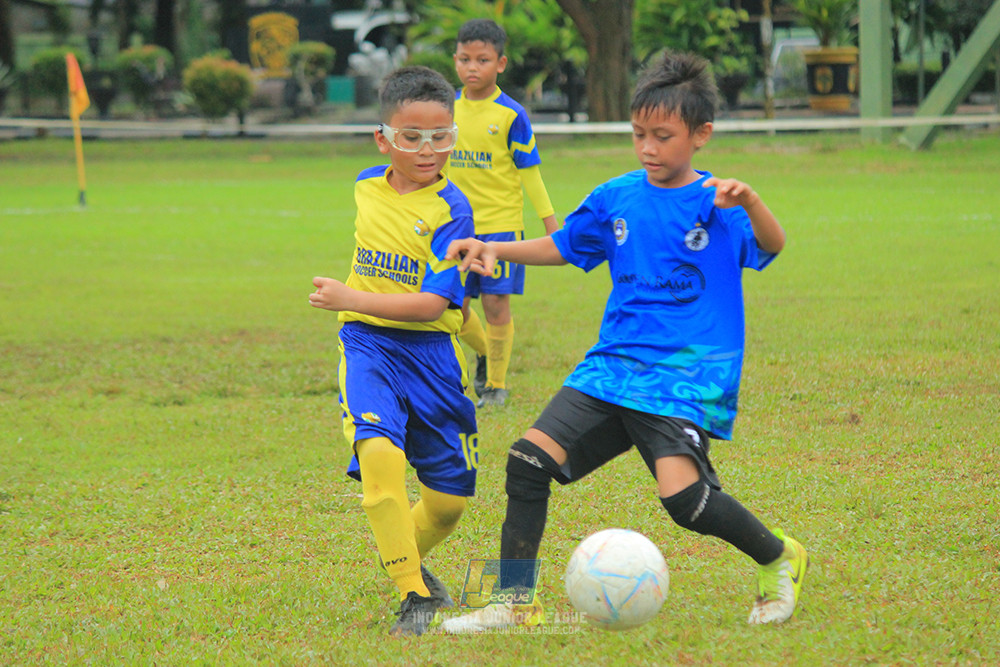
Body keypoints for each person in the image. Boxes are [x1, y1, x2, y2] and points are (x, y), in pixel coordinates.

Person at [440, 51, 807, 633]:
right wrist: (493, 248)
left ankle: (778, 556)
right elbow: (565, 246)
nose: (648, 148)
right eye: (639, 134)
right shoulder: (617, 196)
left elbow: (773, 244)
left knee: (685, 503)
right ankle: (513, 602)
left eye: (663, 136)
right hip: (613, 366)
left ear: (701, 134)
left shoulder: (720, 202)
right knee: (526, 461)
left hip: (683, 374)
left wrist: (753, 202)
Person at [309, 66, 484, 637]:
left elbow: (435, 306)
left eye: (442, 136)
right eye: (412, 137)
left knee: (448, 504)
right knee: (378, 457)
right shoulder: (366, 183)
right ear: (382, 137)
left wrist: (346, 293)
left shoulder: (453, 212)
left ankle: (403, 557)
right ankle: (414, 593)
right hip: (367, 344)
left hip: (432, 355)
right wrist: (353, 306)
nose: (428, 149)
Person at [449, 18, 560, 408]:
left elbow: (530, 174)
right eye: (464, 59)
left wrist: (550, 224)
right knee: (453, 307)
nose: (471, 67)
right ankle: (483, 354)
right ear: (455, 60)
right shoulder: (446, 111)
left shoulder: (511, 115)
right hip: (455, 229)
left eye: (482, 59)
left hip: (500, 229)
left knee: (496, 305)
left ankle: (495, 384)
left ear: (501, 63)